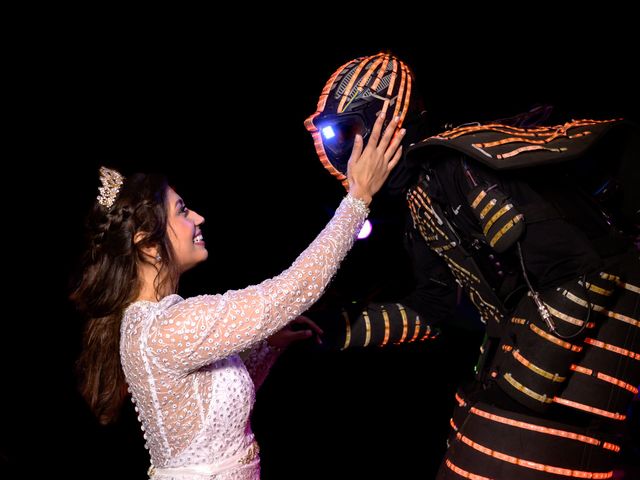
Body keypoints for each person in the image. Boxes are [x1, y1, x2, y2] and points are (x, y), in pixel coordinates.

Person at [304, 52, 639, 478]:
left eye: (350, 131)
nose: (343, 151)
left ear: (385, 117)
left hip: (577, 375)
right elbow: (437, 308)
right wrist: (333, 328)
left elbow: (585, 267)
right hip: (534, 378)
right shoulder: (422, 193)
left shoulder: (462, 161)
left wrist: (521, 389)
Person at [69, 112, 405, 479]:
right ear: (148, 245)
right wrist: (358, 198)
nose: (198, 218)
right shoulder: (167, 327)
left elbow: (214, 418)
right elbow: (291, 291)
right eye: (182, 211)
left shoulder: (156, 323)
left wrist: (265, 346)